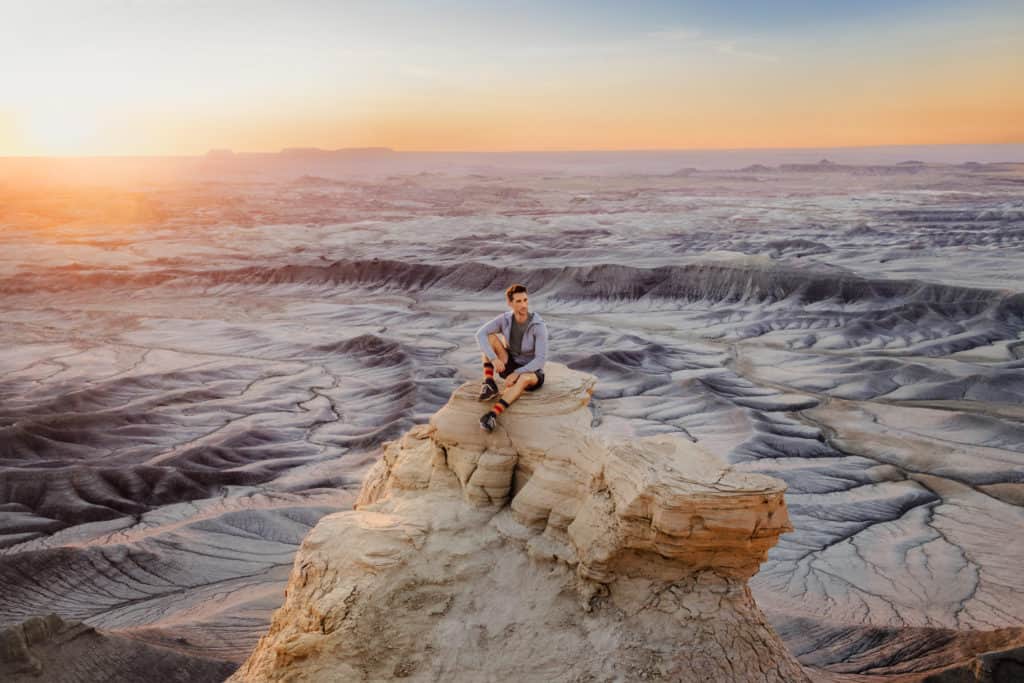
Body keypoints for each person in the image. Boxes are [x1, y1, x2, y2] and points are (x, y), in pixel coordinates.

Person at [475, 283, 548, 432]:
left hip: (531, 371)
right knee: (489, 339)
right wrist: (494, 359)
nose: (524, 305)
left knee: (524, 379)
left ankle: (492, 415)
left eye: (525, 300)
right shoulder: (505, 319)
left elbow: (540, 359)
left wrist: (517, 373)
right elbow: (480, 334)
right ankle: (489, 383)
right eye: (519, 301)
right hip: (509, 363)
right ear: (510, 303)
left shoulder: (538, 326)